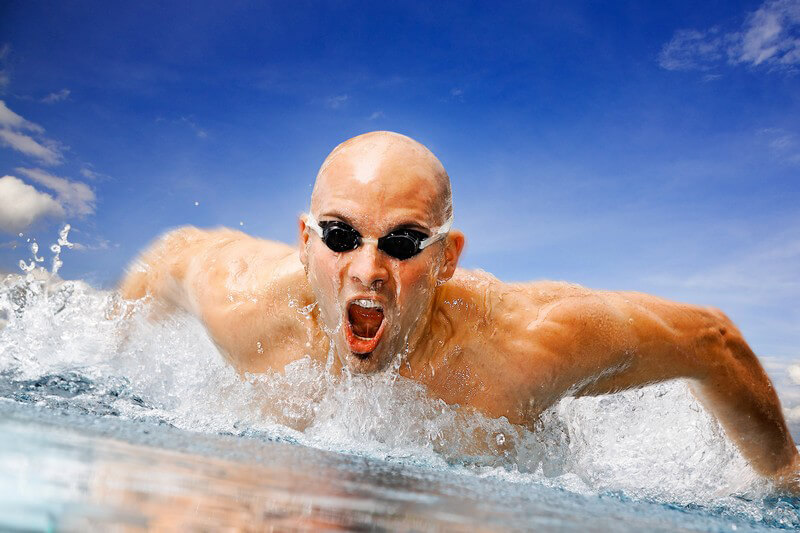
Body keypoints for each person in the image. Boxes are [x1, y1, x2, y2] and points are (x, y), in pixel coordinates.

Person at [120, 131, 799, 489]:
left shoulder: (523, 343)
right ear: (305, 242)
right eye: (338, 235)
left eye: (405, 242)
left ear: (447, 258)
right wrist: (119, 362)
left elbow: (713, 340)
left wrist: (784, 478)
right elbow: (169, 259)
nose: (367, 269)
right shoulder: (245, 303)